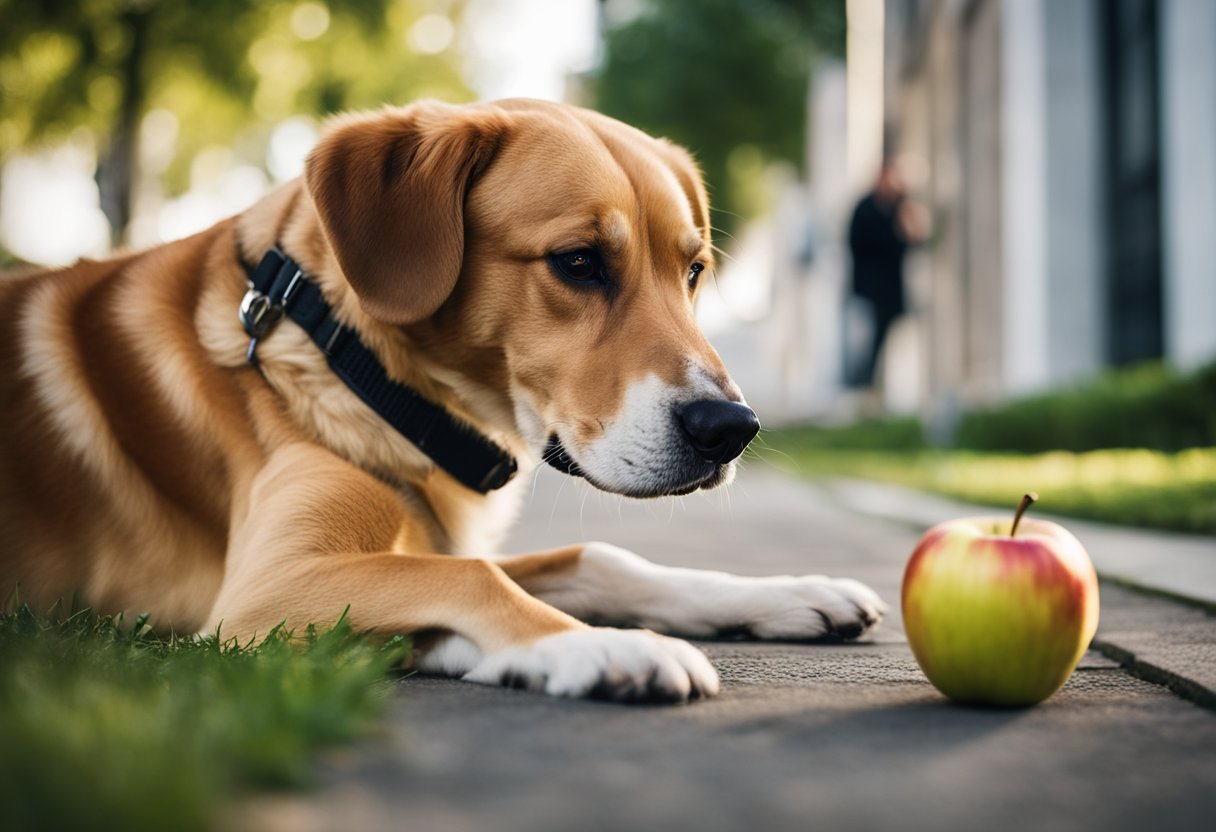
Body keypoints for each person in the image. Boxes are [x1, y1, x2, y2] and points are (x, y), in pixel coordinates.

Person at [846, 158, 926, 388]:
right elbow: (857, 245)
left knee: (885, 345)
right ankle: (862, 387)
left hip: (890, 291)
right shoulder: (866, 208)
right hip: (870, 291)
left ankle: (876, 388)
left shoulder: (899, 208)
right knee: (867, 346)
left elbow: (915, 239)